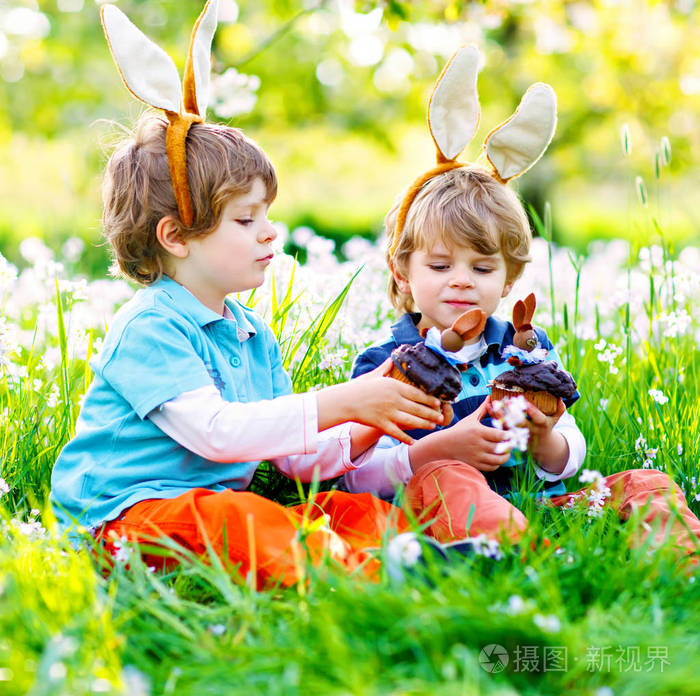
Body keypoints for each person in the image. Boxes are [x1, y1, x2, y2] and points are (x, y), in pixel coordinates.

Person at [50, 2, 446, 588]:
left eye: (268, 215)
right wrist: (345, 397)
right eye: (245, 219)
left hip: (206, 511)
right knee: (242, 518)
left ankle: (422, 559)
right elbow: (218, 432)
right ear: (176, 237)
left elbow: (300, 461)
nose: (269, 232)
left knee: (342, 509)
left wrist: (375, 407)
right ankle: (364, 576)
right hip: (125, 521)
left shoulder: (249, 334)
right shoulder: (149, 328)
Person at [344, 166, 700, 563]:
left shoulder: (527, 350)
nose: (462, 281)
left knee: (646, 483)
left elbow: (571, 445)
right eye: (441, 266)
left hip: (542, 506)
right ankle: (535, 564)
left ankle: (681, 568)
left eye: (481, 268)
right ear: (402, 272)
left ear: (509, 280)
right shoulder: (385, 364)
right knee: (449, 478)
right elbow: (356, 474)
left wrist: (544, 441)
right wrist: (433, 452)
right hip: (442, 513)